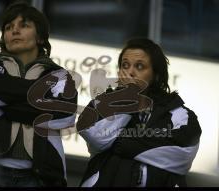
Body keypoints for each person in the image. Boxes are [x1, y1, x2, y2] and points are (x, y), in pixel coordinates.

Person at [77, 38, 201, 187]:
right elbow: (94, 136)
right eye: (125, 65)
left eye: (140, 66)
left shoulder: (178, 113)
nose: (130, 72)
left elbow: (184, 151)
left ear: (156, 75)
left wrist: (118, 143)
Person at [0, 3, 77, 187]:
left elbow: (66, 116)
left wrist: (5, 104)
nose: (15, 30)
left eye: (24, 25)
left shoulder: (59, 75)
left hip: (40, 176)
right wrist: (37, 97)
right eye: (8, 28)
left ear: (40, 37)